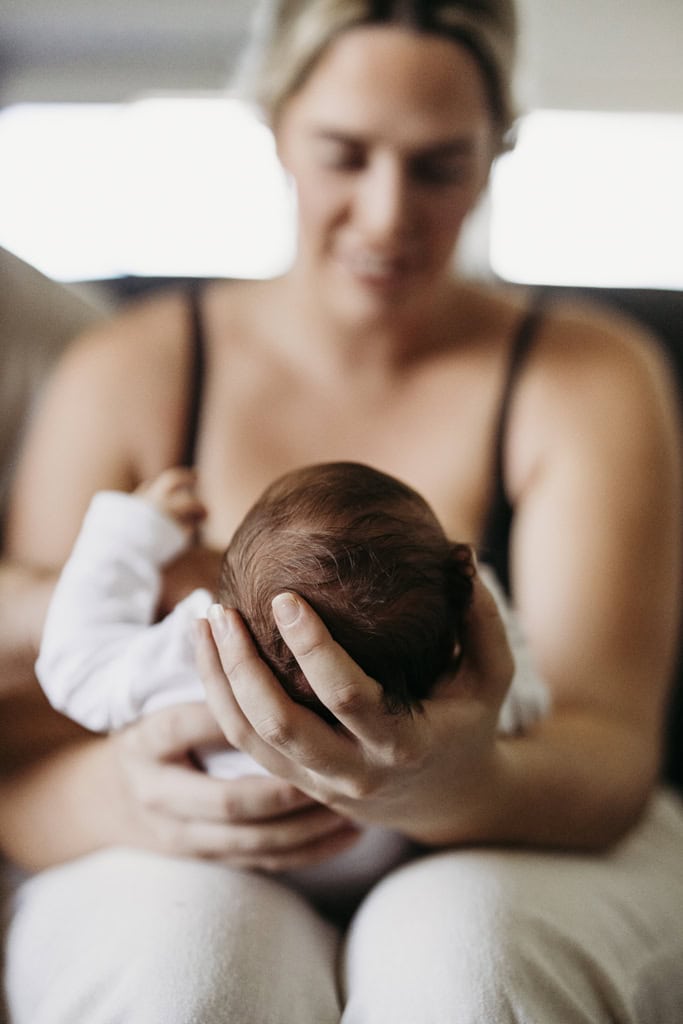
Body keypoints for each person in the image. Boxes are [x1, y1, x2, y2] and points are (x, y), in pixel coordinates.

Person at [1, 0, 682, 1020]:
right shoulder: (127, 370)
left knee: (467, 961)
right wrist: (144, 801)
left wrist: (456, 785)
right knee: (187, 968)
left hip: (515, 825)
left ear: (496, 150)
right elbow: (24, 737)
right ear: (275, 127)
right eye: (342, 154)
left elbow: (605, 746)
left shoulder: (587, 378)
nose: (384, 215)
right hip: (169, 831)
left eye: (437, 165)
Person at [34, 461, 549, 914]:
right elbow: (527, 701)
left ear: (222, 578)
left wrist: (128, 533)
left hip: (236, 875)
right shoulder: (446, 702)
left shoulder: (191, 651)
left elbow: (73, 667)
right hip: (384, 870)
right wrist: (485, 604)